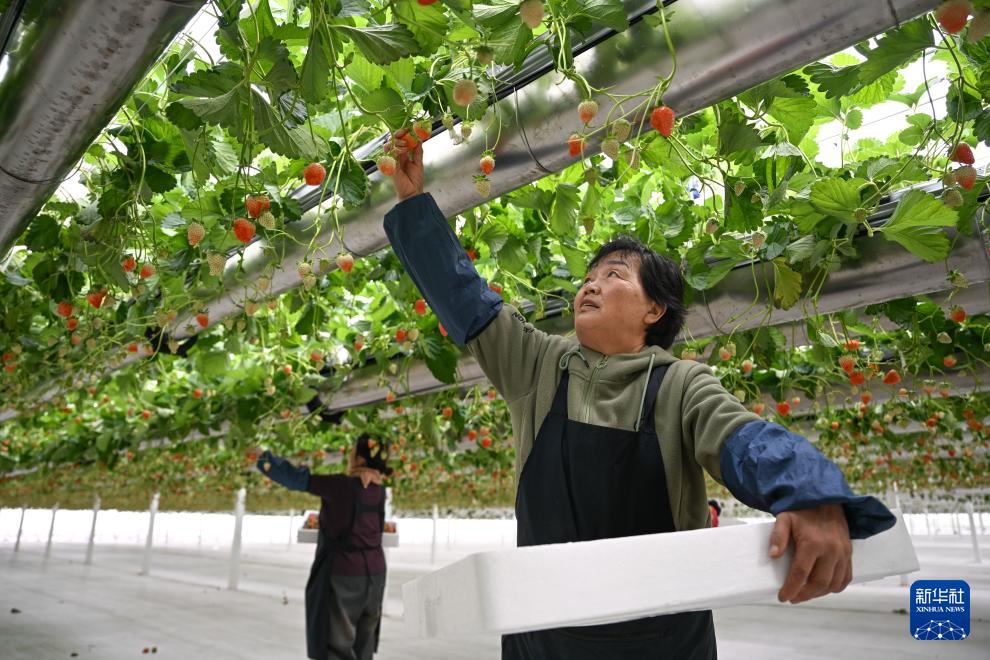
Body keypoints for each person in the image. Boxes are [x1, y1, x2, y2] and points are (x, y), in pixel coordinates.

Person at [381, 129, 895, 659]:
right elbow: (463, 297)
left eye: (615, 274)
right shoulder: (538, 364)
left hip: (659, 644)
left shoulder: (681, 385)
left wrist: (808, 494)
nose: (591, 285)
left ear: (654, 311)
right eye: (588, 277)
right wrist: (413, 203)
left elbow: (746, 441)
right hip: (542, 637)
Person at [256, 435, 391, 660]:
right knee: (363, 646)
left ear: (358, 458)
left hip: (345, 574)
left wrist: (262, 458)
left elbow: (296, 479)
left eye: (351, 452)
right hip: (375, 576)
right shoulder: (379, 490)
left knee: (337, 646)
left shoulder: (341, 485)